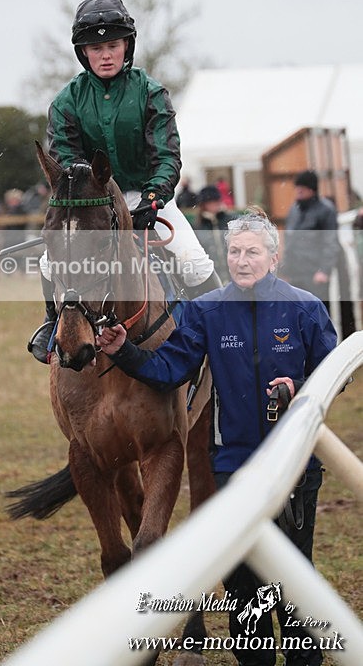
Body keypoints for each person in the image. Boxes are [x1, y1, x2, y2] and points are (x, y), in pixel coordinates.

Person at [96, 208, 337, 666]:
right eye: (234, 251)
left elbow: (332, 375)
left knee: (292, 574)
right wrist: (123, 351)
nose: (242, 260)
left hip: (296, 465)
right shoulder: (207, 310)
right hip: (232, 466)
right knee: (242, 579)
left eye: (252, 252)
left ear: (273, 256)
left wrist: (296, 388)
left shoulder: (305, 307)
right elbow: (167, 371)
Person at [28, 0, 219, 362]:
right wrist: (91, 200)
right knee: (48, 263)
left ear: (126, 46)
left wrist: (152, 198)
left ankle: (225, 328)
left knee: (194, 262)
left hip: (146, 198)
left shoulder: (151, 92)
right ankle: (52, 323)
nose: (105, 55)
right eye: (96, 47)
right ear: (83, 52)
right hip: (91, 202)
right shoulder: (66, 101)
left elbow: (167, 156)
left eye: (112, 45)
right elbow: (66, 160)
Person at [281, 170, 339, 313]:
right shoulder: (294, 209)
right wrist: (285, 270)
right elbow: (289, 241)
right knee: (297, 315)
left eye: (302, 189)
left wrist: (324, 271)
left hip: (314, 274)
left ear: (311, 189)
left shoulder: (326, 210)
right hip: (295, 274)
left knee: (318, 314)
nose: (298, 192)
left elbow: (330, 242)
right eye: (297, 188)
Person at [194, 184, 236, 283]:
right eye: (210, 202)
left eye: (216, 201)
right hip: (212, 277)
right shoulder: (197, 227)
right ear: (203, 205)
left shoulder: (231, 221)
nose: (214, 205)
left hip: (233, 275)